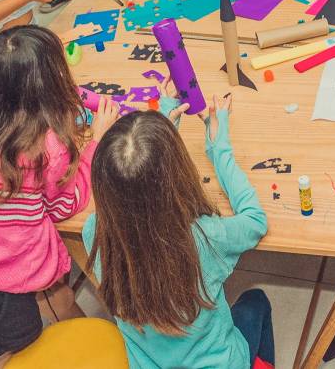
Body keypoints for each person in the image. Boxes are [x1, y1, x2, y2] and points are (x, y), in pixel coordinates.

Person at [0, 25, 118, 368]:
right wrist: (95, 145)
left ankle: (82, 332)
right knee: (9, 358)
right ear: (53, 81)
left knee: (56, 294)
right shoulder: (47, 146)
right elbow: (63, 206)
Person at [83, 91, 274, 368]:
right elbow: (256, 221)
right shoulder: (205, 238)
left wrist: (162, 128)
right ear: (177, 173)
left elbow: (136, 188)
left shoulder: (96, 233)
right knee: (256, 302)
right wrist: (218, 148)